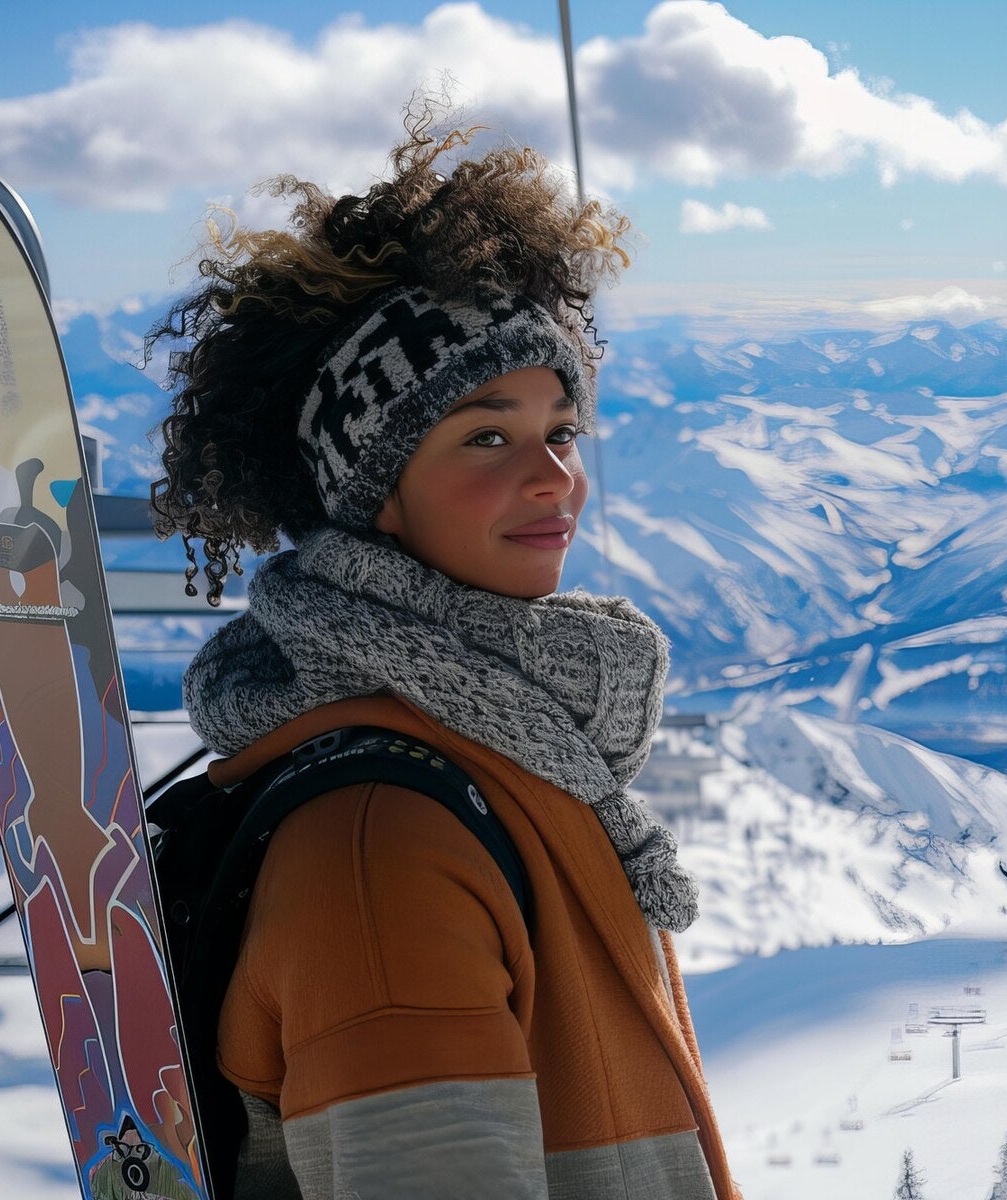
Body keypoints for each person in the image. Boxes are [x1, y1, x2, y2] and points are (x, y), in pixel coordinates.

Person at [150, 109, 738, 1199]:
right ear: (370, 494)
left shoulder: (505, 753)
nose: (556, 474)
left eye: (562, 429)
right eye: (486, 434)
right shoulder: (383, 849)